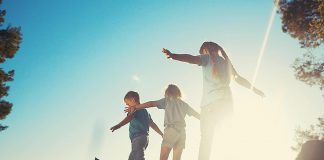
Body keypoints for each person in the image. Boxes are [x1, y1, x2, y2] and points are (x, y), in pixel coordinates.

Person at [162, 42, 265, 160]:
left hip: (209, 105)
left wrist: (173, 55)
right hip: (226, 105)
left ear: (205, 50)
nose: (201, 55)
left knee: (206, 139)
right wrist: (255, 90)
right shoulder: (226, 63)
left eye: (201, 53)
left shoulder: (206, 58)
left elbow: (190, 58)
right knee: (226, 135)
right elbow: (239, 79)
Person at [125, 84, 200, 160]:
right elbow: (197, 115)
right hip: (182, 133)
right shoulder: (184, 105)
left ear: (168, 92)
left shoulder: (167, 100)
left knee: (163, 157)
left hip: (171, 130)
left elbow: (151, 103)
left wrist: (135, 107)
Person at [110, 91, 163, 160]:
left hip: (137, 138)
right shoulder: (145, 111)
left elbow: (129, 117)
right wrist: (161, 133)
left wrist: (119, 125)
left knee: (139, 158)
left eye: (128, 103)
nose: (127, 105)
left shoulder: (134, 109)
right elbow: (152, 124)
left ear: (133, 100)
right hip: (144, 139)